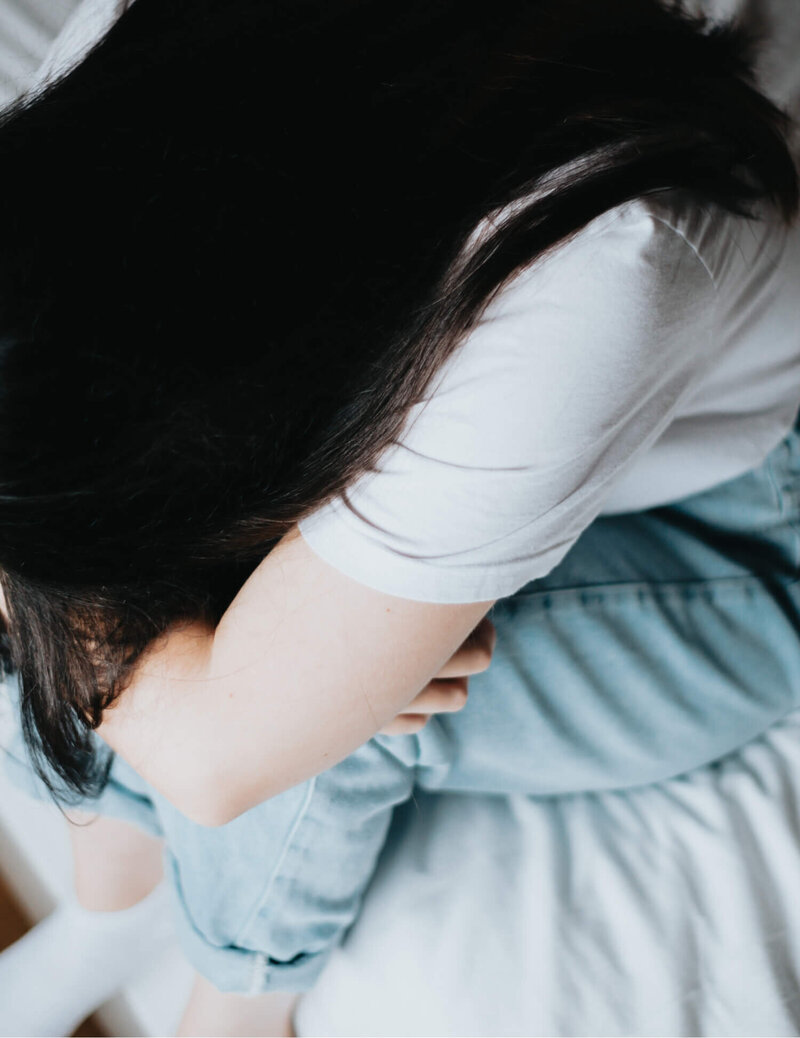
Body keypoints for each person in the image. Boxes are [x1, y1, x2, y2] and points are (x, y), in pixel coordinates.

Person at [0, 0, 799, 1034]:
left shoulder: (586, 266)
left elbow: (218, 759)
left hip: (740, 520)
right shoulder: (134, 76)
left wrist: (179, 661)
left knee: (328, 721)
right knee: (103, 628)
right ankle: (118, 909)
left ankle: (236, 1016)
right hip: (554, 378)